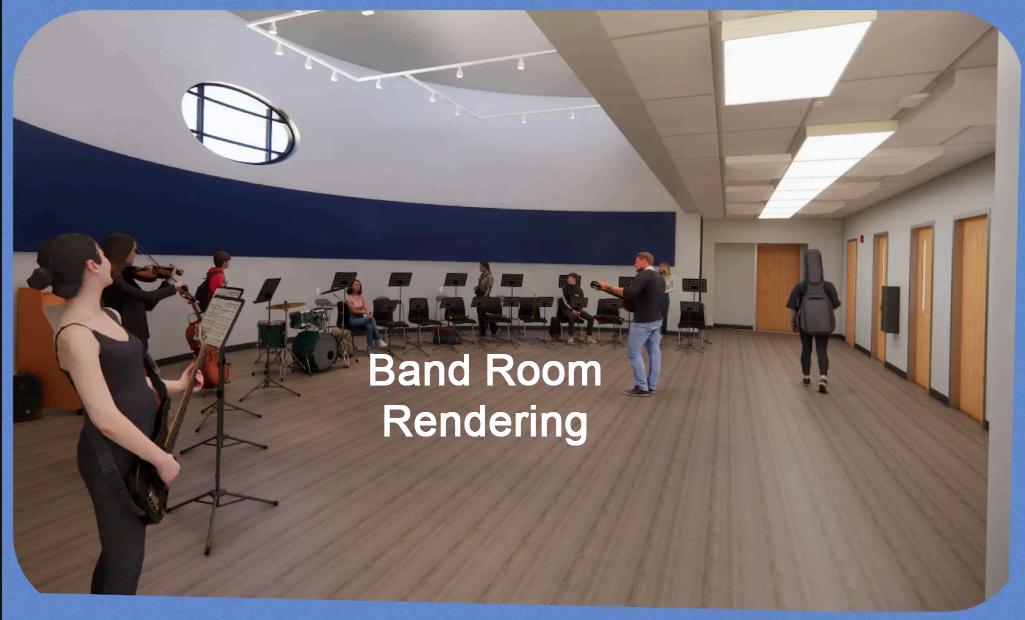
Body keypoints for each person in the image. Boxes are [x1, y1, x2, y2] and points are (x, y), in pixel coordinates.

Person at [27, 233, 202, 594]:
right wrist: (161, 459)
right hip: (110, 459)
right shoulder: (75, 334)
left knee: (117, 552)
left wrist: (178, 384)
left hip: (136, 449)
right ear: (92, 266)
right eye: (103, 256)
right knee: (126, 560)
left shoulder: (110, 314)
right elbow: (103, 415)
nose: (111, 261)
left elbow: (130, 383)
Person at [100, 233, 185, 351]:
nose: (135, 254)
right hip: (126, 338)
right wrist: (174, 287)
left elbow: (148, 304)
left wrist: (168, 280)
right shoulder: (113, 280)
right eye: (133, 251)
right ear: (122, 252)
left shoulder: (124, 275)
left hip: (138, 335)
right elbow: (148, 297)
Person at [599, 251, 665, 396]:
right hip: (657, 319)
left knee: (634, 353)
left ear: (645, 261)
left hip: (643, 321)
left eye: (636, 261)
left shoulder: (643, 275)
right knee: (654, 353)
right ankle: (651, 385)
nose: (634, 263)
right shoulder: (660, 277)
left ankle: (641, 387)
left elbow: (629, 292)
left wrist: (608, 287)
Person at [786, 249, 841, 394]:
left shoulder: (800, 286)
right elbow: (836, 304)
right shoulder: (828, 286)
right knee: (822, 350)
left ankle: (806, 377)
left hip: (805, 323)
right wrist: (822, 312)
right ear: (821, 267)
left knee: (806, 350)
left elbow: (793, 308)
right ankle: (823, 378)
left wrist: (794, 324)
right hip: (824, 323)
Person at [345, 279, 387, 349]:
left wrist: (369, 313)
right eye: (356, 284)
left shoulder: (361, 297)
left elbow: (367, 308)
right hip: (353, 320)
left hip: (361, 319)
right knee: (371, 319)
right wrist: (365, 312)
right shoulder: (348, 298)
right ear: (351, 286)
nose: (358, 286)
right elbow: (353, 311)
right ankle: (378, 339)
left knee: (370, 326)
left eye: (359, 285)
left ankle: (369, 348)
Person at [557, 273, 596, 345]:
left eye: (569, 278)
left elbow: (581, 302)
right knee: (572, 316)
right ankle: (570, 337)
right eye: (568, 278)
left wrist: (579, 311)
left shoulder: (579, 290)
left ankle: (588, 337)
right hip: (566, 309)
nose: (567, 279)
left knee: (591, 318)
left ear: (574, 279)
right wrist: (572, 310)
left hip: (577, 310)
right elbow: (565, 301)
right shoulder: (564, 288)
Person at [475, 262, 498, 337]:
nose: (479, 268)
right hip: (479, 295)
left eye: (480, 267)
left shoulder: (490, 276)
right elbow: (481, 285)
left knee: (485, 314)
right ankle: (482, 332)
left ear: (485, 267)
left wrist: (484, 298)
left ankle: (495, 329)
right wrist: (477, 287)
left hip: (484, 296)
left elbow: (489, 288)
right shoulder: (482, 275)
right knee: (480, 314)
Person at [659, 262, 674, 335]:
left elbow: (673, 287)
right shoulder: (657, 276)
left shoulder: (670, 277)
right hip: (657, 296)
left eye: (661, 267)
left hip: (665, 296)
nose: (660, 268)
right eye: (660, 267)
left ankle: (662, 331)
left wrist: (665, 291)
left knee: (664, 315)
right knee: (657, 315)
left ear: (666, 268)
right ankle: (656, 332)